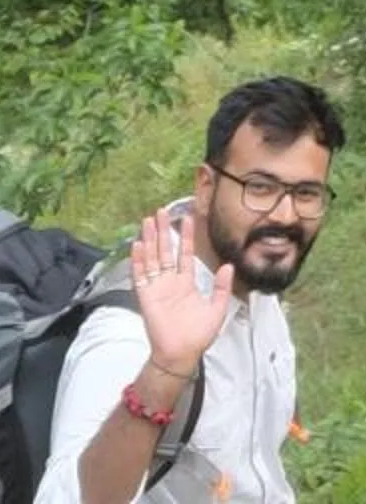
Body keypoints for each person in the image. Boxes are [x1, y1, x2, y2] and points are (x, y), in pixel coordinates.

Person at [37, 78, 345, 504]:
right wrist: (163, 372)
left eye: (306, 193)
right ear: (206, 186)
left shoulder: (253, 278)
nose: (286, 215)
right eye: (260, 187)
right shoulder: (131, 331)